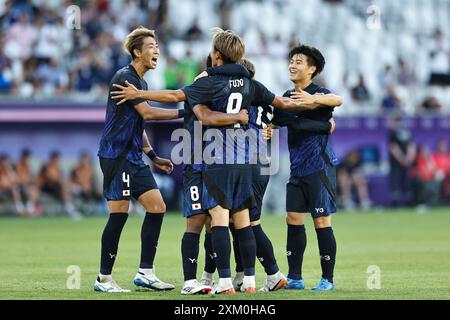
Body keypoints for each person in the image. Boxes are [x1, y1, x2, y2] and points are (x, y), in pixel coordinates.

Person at [111, 29, 336, 294]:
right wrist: (319, 109)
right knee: (244, 222)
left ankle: (221, 280)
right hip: (247, 163)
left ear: (216, 58)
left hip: (217, 161)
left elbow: (180, 100)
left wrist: (139, 94)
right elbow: (282, 105)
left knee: (213, 221)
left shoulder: (210, 84)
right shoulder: (252, 86)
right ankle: (250, 278)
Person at [95, 26, 183, 293]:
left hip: (133, 157)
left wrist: (153, 156)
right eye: (151, 46)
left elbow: (137, 123)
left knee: (157, 207)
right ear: (136, 51)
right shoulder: (125, 77)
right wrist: (185, 113)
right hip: (116, 156)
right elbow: (148, 113)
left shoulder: (141, 84)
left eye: (157, 45)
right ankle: (103, 279)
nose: (156, 50)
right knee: (119, 214)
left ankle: (145, 272)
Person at [272, 44, 343, 291]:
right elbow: (278, 118)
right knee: (292, 219)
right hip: (298, 169)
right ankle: (295, 278)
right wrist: (318, 124)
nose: (292, 64)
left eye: (299, 61)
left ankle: (327, 280)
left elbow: (338, 99)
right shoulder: (287, 95)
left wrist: (313, 100)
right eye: (291, 60)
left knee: (322, 221)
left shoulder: (321, 93)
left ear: (312, 69)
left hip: (319, 168)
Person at [37, 151, 81, 219]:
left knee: (65, 188)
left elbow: (60, 178)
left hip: (56, 187)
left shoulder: (57, 168)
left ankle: (70, 207)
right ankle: (69, 208)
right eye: (55, 159)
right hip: (46, 187)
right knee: (63, 186)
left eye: (57, 159)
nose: (57, 161)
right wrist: (61, 181)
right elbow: (50, 178)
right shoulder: (46, 166)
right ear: (52, 159)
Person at [388, 116, 416, 207]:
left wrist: (402, 159)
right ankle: (406, 203)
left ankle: (397, 203)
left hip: (397, 162)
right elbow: (411, 146)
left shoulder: (394, 132)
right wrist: (408, 158)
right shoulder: (407, 132)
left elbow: (393, 147)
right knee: (404, 182)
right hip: (406, 161)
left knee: (397, 182)